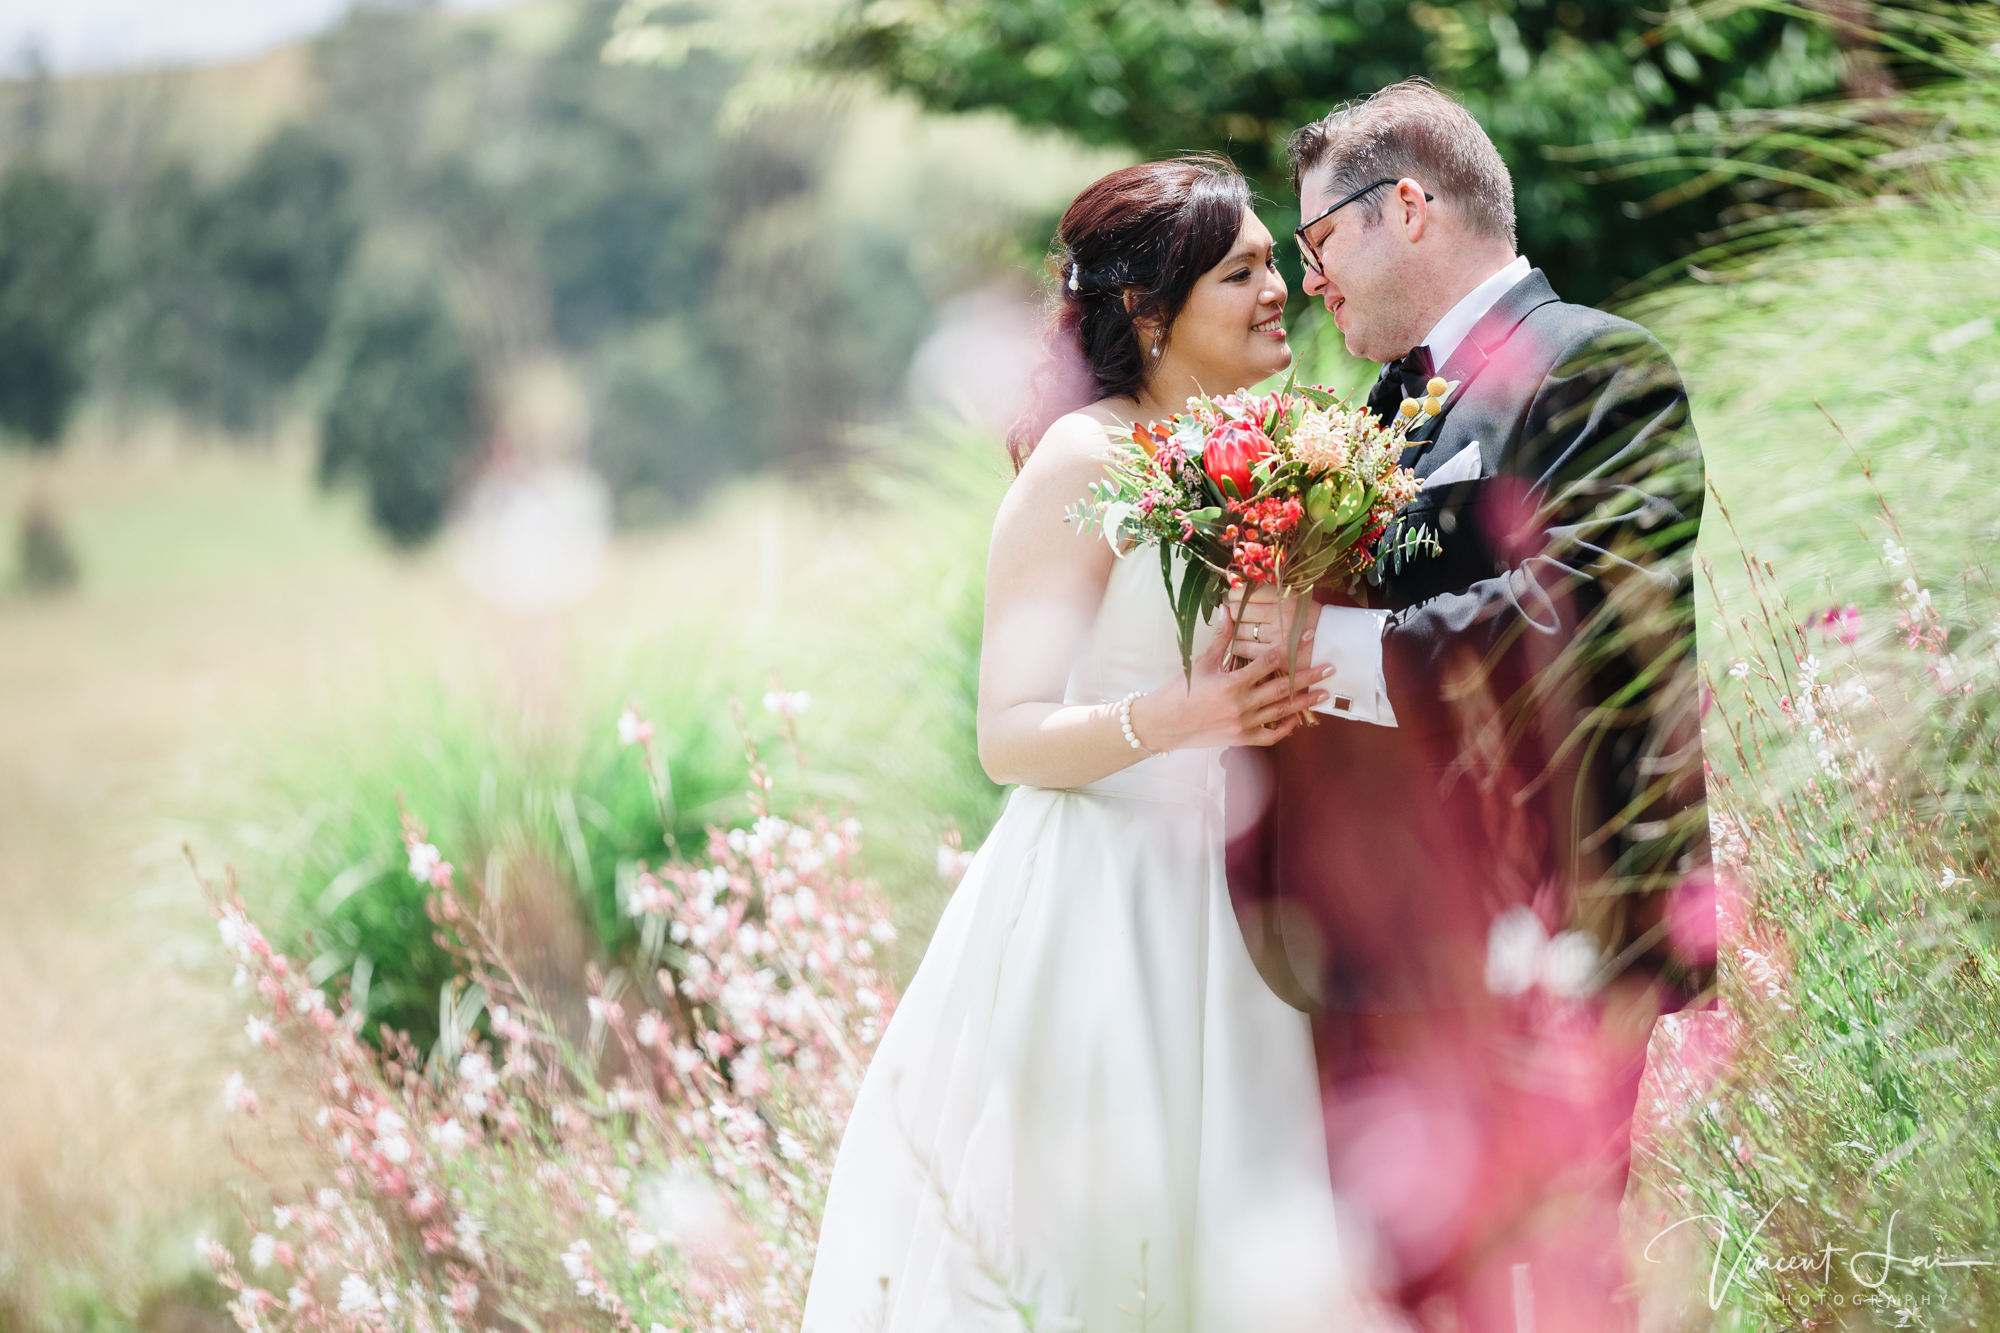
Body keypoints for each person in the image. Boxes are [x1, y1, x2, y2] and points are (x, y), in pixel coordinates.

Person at [801, 157, 1374, 1333]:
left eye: (1275, 265)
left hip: (1250, 897)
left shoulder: (1275, 443)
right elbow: (1006, 734)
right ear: (1146, 313)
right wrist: (1172, 720)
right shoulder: (1080, 458)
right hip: (1107, 899)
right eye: (1242, 272)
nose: (1280, 290)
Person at [1226, 80, 1717, 1332]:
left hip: (1547, 918)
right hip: (1381, 946)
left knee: (1549, 1285)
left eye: (1316, 241)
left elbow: (1569, 629)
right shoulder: (1375, 417)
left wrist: (1322, 650)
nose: (1307, 281)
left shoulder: (1599, 367)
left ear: (1406, 206)